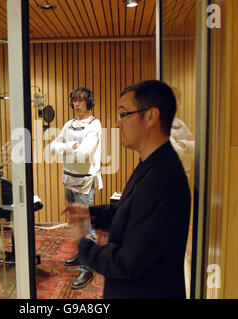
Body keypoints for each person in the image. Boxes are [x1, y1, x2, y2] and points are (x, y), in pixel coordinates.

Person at [61, 80, 191, 298]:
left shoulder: (163, 179)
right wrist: (90, 213)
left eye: (123, 115)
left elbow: (125, 263)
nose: (118, 124)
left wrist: (83, 244)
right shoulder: (153, 162)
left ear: (150, 116)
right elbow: (130, 211)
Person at [50, 87, 103, 289]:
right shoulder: (69, 125)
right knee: (75, 223)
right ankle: (82, 254)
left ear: (89, 102)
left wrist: (67, 147)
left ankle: (87, 268)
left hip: (84, 183)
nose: (77, 104)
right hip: (69, 180)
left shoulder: (94, 124)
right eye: (74, 100)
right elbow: (53, 148)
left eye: (81, 100)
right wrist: (68, 147)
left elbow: (85, 153)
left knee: (86, 226)